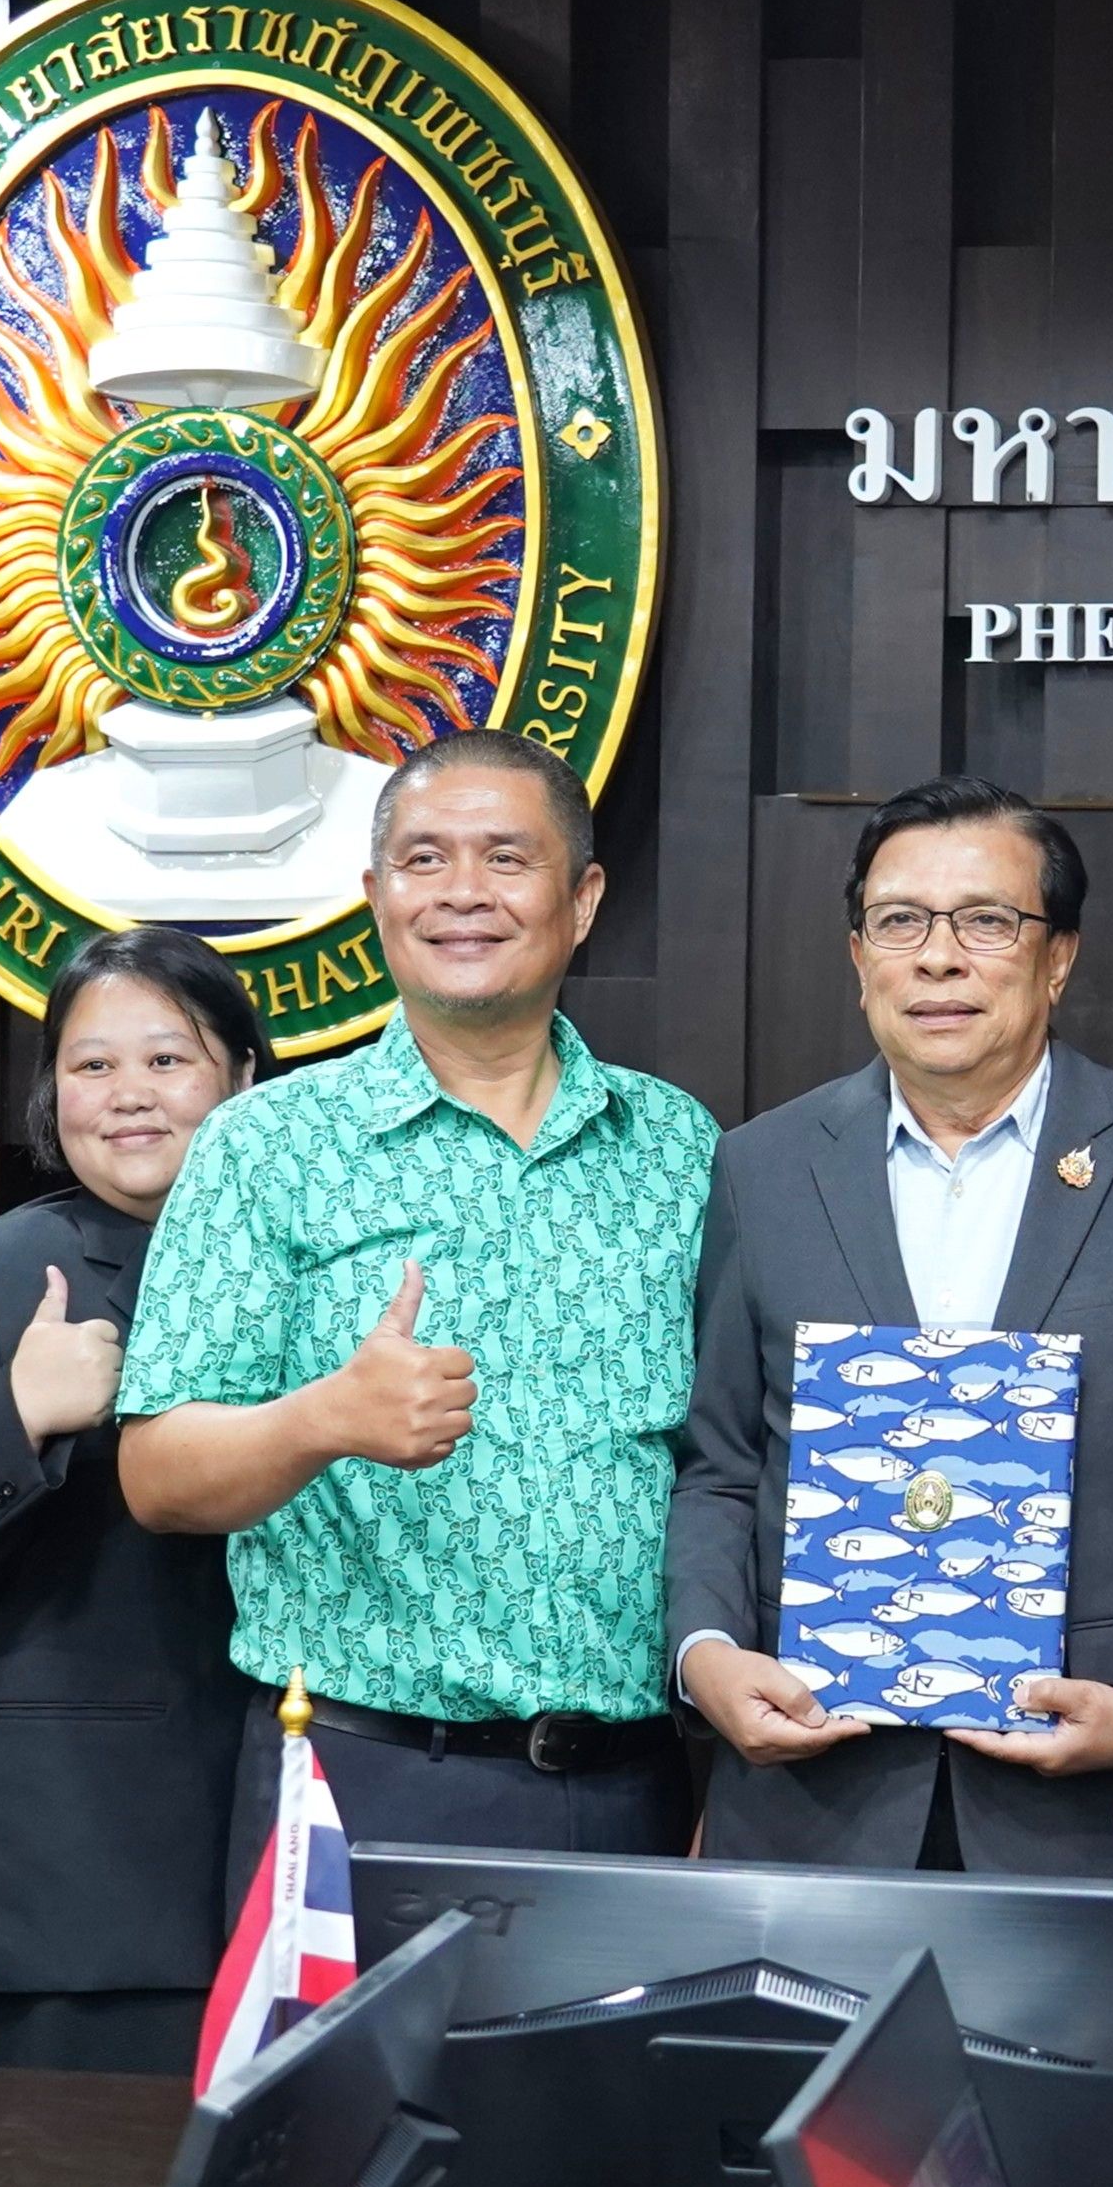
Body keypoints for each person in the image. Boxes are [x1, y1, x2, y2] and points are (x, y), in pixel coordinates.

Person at [665, 778, 1113, 1873]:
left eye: (987, 922)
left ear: (1059, 957)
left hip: (1086, 1810)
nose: (938, 959)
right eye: (899, 922)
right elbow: (720, 1467)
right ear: (858, 956)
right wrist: (707, 1651)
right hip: (812, 1802)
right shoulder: (762, 1169)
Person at [120, 735, 716, 1852]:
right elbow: (156, 1476)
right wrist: (322, 1419)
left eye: (506, 858)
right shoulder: (268, 1144)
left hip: (634, 1784)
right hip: (362, 1780)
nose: (462, 893)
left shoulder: (674, 1145)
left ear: (583, 899)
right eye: (423, 859)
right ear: (376, 895)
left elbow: (723, 1464)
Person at [0, 927, 262, 2069]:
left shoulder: (307, 1270)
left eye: (167, 1060)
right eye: (91, 1065)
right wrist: (15, 1418)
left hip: (254, 1852)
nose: (129, 1094)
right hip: (38, 1888)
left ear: (242, 1076)